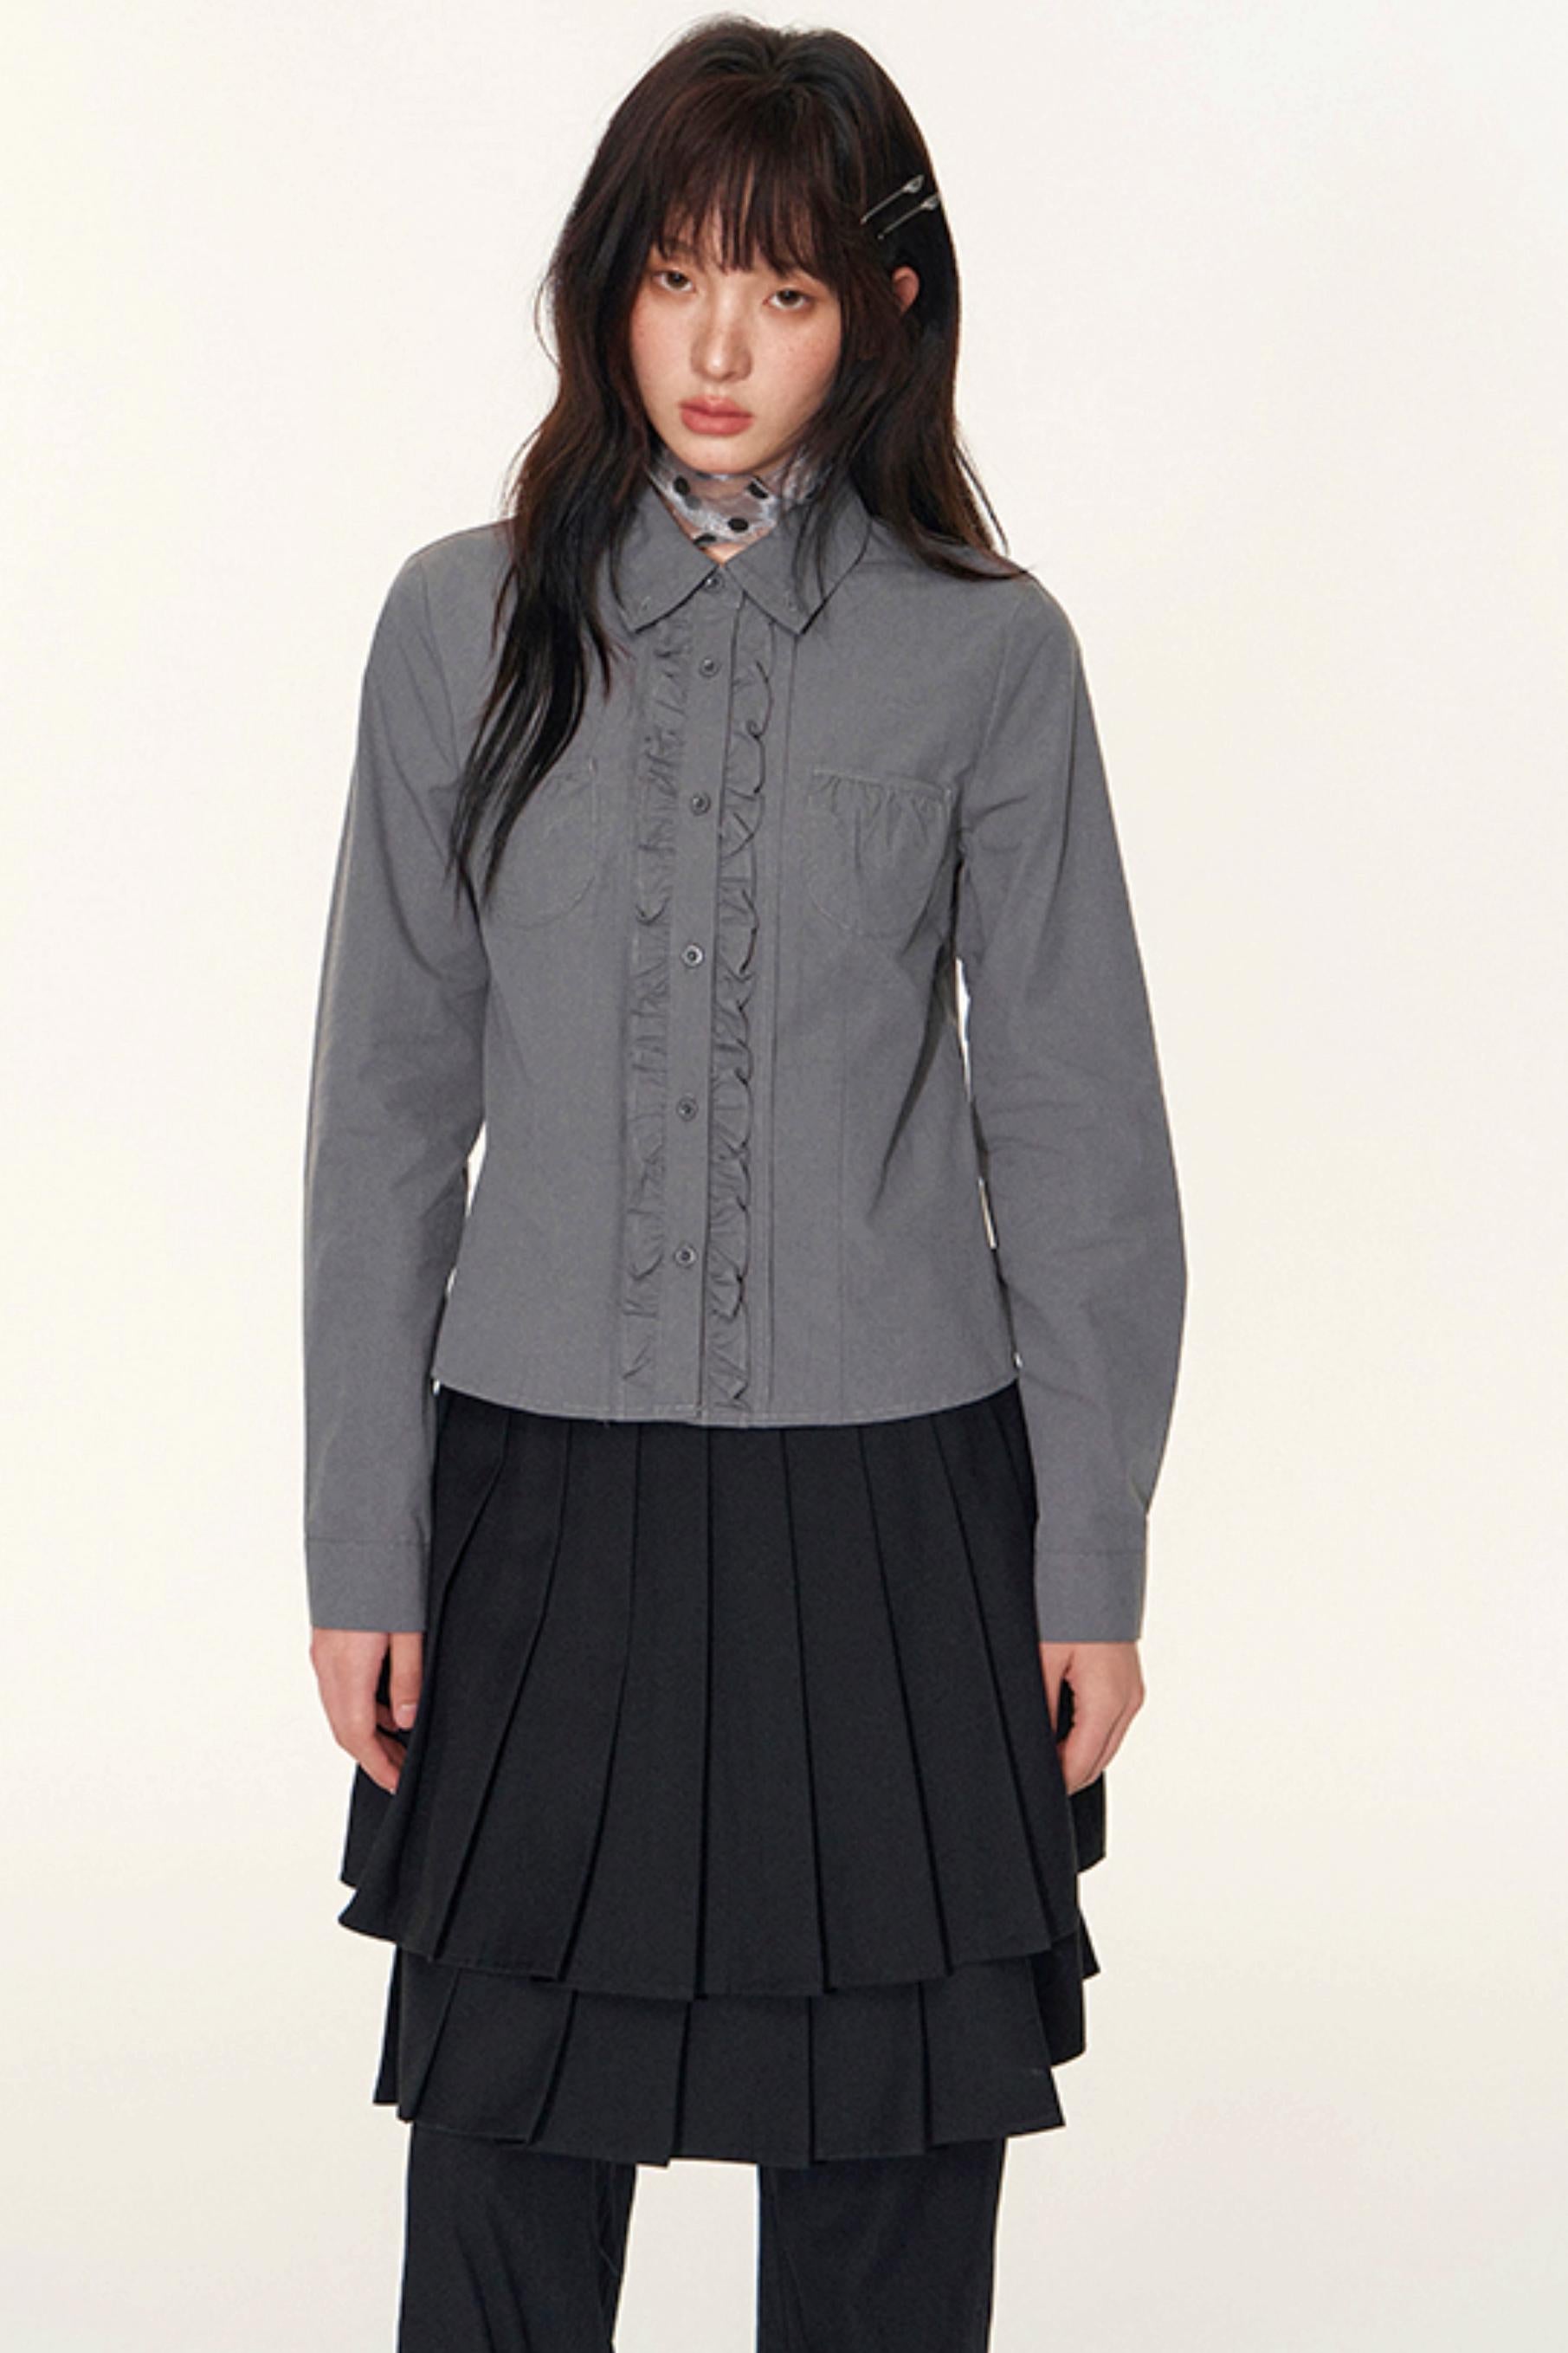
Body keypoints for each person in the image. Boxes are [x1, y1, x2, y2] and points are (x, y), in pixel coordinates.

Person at [302, 18, 1187, 2350]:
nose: (717, 347)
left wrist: (1088, 1559)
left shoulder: (990, 656)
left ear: (879, 312)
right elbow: (384, 1112)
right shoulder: (458, 624)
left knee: (890, 2161)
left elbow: (1078, 1129)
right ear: (606, 285)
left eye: (782, 291)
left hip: (896, 1514)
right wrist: (363, 1542)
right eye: (675, 276)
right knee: (507, 2165)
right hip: (538, 1507)